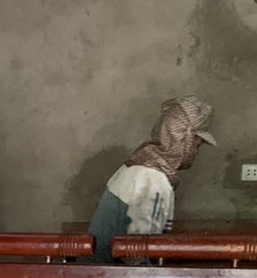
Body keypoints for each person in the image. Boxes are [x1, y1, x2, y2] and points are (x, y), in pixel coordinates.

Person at [85, 95, 216, 263]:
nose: (196, 152)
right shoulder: (153, 179)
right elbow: (136, 253)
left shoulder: (138, 166)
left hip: (102, 271)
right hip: (112, 277)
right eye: (196, 145)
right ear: (184, 141)